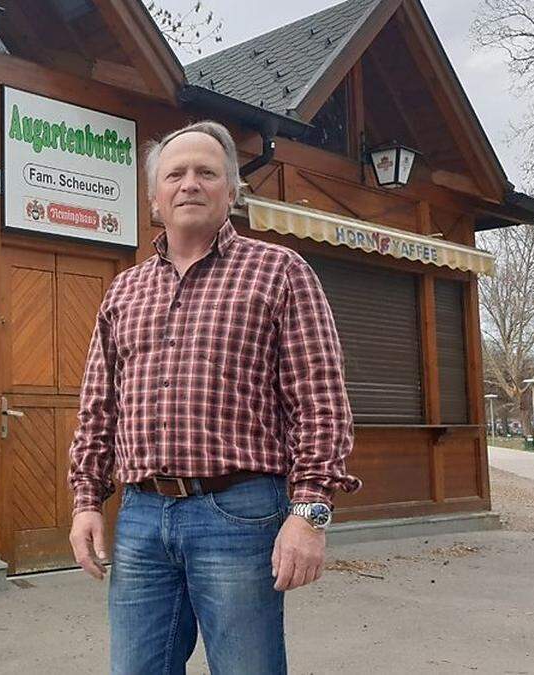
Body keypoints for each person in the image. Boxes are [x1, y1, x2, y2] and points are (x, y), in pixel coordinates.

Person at [67, 120, 362, 675]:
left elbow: (320, 402)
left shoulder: (280, 273)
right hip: (141, 516)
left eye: (207, 172)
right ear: (154, 199)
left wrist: (309, 515)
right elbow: (98, 407)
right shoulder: (124, 290)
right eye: (174, 174)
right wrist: (86, 501)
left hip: (241, 512)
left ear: (232, 191)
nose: (190, 184)